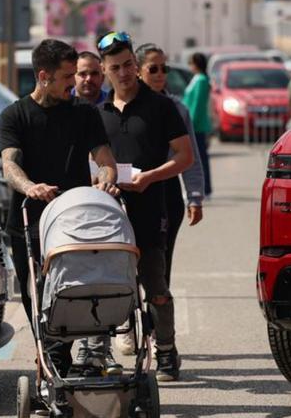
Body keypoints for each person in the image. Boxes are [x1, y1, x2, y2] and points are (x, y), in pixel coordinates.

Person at [0, 38, 122, 378]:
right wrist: (29, 187)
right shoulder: (15, 115)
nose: (74, 83)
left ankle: (55, 361)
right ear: (43, 76)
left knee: (71, 293)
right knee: (34, 297)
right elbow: (9, 163)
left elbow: (104, 158)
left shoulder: (84, 114)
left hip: (73, 222)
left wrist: (106, 179)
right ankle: (51, 357)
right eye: (67, 76)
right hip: (28, 221)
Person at [96, 31, 194, 381]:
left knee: (156, 287)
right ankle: (99, 352)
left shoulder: (160, 106)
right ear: (105, 71)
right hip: (108, 217)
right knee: (105, 287)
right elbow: (89, 163)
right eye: (115, 67)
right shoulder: (98, 113)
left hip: (152, 209)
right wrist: (98, 182)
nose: (123, 73)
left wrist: (150, 177)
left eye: (128, 65)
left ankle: (166, 351)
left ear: (135, 66)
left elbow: (186, 157)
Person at [135, 43, 205, 274]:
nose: (160, 75)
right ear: (138, 70)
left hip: (167, 192)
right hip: (131, 190)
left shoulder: (177, 108)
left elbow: (189, 155)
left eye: (164, 69)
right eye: (153, 69)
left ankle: (157, 308)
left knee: (162, 263)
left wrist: (194, 198)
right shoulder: (123, 107)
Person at [183, 52, 213, 198]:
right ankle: (203, 188)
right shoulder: (197, 79)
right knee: (197, 157)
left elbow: (197, 105)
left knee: (200, 159)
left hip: (196, 126)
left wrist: (190, 123)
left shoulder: (201, 80)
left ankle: (205, 188)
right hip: (194, 124)